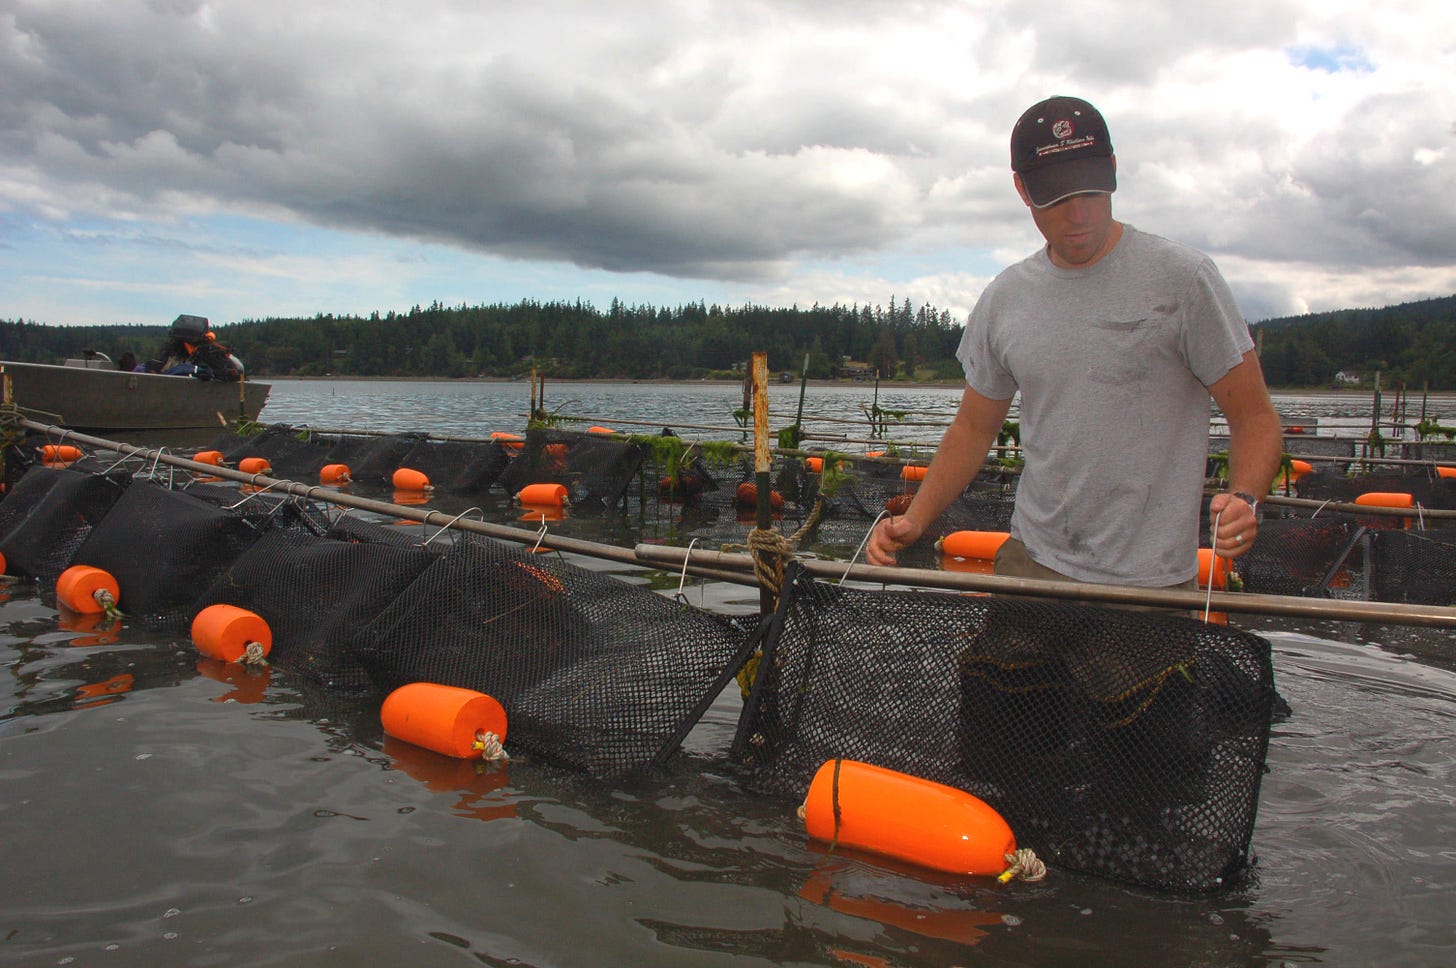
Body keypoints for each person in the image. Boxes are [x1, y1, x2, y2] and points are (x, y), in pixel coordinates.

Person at [867, 95, 1283, 593]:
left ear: (1112, 170)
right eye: (1057, 197)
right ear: (1022, 189)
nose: (1078, 213)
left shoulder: (1184, 280)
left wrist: (1246, 498)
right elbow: (975, 428)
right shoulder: (1005, 298)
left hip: (1148, 583)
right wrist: (917, 517)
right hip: (1031, 563)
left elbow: (1254, 416)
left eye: (1090, 190)